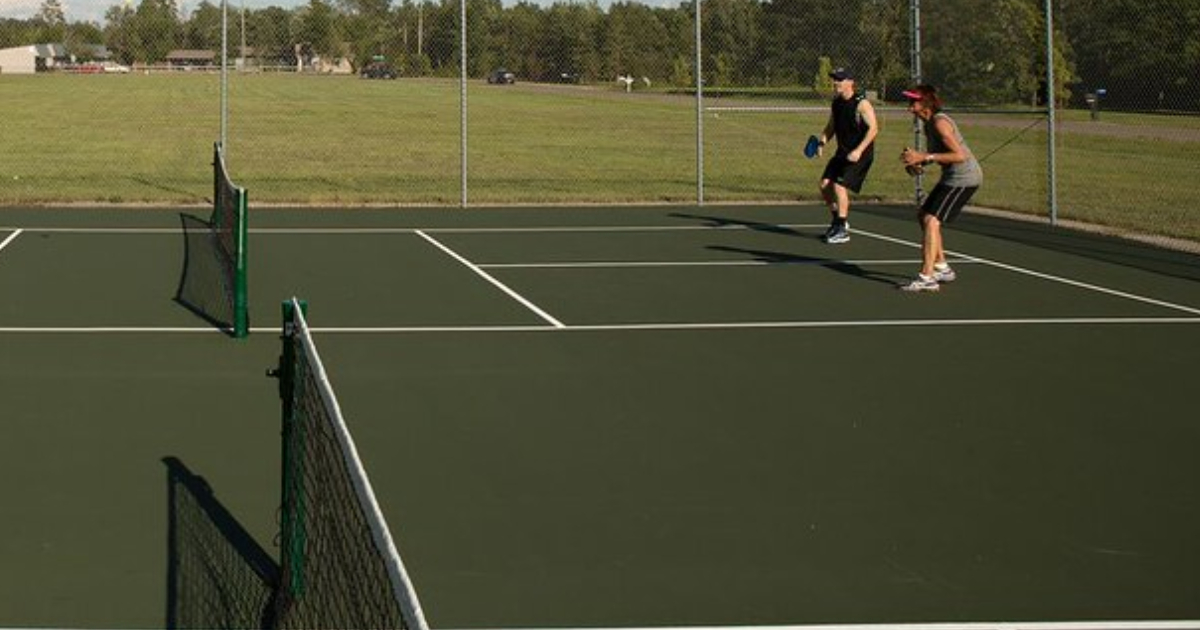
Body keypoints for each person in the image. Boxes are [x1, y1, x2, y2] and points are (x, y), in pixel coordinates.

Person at [898, 84, 984, 292]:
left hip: (964, 178)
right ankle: (942, 267)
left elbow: (960, 155)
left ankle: (927, 276)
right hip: (951, 177)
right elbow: (938, 153)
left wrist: (924, 156)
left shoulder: (940, 124)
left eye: (913, 102)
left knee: (931, 220)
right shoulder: (928, 124)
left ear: (926, 104)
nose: (910, 107)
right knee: (923, 215)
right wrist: (918, 163)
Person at [814, 67, 878, 244]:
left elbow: (874, 129)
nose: (835, 82)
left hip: (861, 154)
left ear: (850, 82)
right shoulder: (836, 103)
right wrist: (822, 142)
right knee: (825, 185)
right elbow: (831, 126)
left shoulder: (861, 104)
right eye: (835, 79)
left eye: (839, 79)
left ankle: (842, 230)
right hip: (843, 152)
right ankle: (838, 220)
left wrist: (858, 151)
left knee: (839, 186)